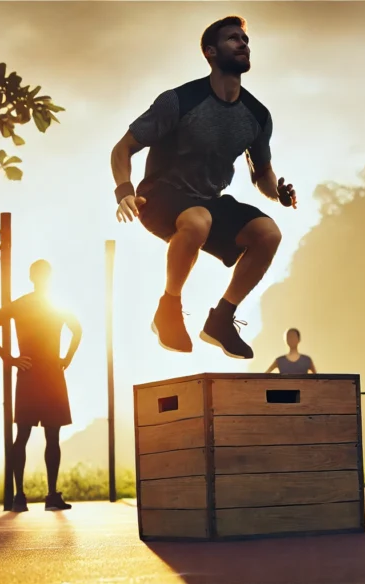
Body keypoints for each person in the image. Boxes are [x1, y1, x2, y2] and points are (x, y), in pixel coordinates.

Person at [110, 15, 296, 360]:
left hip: (209, 201)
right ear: (211, 52)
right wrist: (124, 191)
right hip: (159, 195)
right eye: (232, 39)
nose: (243, 43)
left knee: (268, 233)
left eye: (245, 39)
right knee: (197, 220)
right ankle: (168, 307)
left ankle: (222, 319)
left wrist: (278, 194)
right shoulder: (179, 100)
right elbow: (122, 149)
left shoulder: (257, 114)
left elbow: (262, 174)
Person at [0, 260, 83, 512]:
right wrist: (9, 357)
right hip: (37, 373)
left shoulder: (45, 304)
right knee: (29, 435)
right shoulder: (31, 304)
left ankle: (41, 496)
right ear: (36, 277)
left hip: (45, 373)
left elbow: (77, 329)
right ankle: (24, 496)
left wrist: (66, 358)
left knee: (46, 436)